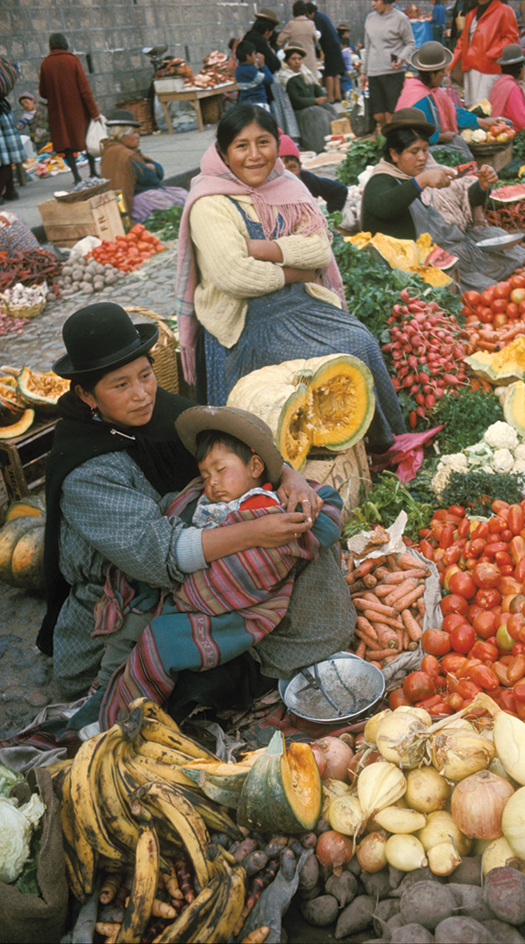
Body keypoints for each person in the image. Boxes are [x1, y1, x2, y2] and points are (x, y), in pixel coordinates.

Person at [41, 302, 341, 705]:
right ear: (86, 395)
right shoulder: (87, 470)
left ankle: (271, 641)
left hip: (200, 553)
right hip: (127, 608)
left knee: (306, 522)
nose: (142, 394)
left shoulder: (164, 411)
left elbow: (235, 448)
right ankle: (254, 657)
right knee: (189, 681)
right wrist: (254, 531)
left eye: (145, 376)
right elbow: (158, 554)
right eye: (120, 385)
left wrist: (290, 477)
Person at [92, 405, 346, 725]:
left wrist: (293, 478)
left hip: (235, 610)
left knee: (161, 642)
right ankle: (104, 698)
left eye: (220, 469)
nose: (212, 482)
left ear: (256, 466)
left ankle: (120, 720)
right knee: (130, 625)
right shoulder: (201, 499)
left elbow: (320, 519)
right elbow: (170, 533)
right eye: (205, 474)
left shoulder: (275, 506)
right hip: (183, 596)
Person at [176, 103, 404, 450]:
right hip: (248, 323)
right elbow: (234, 276)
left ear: (277, 144)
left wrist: (262, 248)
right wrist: (295, 272)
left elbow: (319, 250)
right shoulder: (210, 204)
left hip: (300, 304)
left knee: (361, 342)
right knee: (334, 357)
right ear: (223, 152)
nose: (254, 155)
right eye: (241, 145)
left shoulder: (288, 188)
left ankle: (379, 446)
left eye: (263, 142)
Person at [361, 108, 525, 293]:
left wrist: (482, 186)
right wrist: (421, 181)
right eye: (414, 151)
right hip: (411, 265)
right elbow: (384, 207)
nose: (422, 157)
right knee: (486, 288)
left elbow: (462, 199)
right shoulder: (381, 180)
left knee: (502, 246)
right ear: (394, 154)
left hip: (442, 246)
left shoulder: (425, 170)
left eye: (424, 150)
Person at [396, 42, 498, 158]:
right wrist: (442, 137)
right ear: (432, 75)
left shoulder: (435, 92)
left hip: (434, 141)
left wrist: (482, 122)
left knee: (458, 140)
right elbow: (417, 136)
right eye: (442, 72)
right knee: (460, 150)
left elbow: (455, 113)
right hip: (417, 151)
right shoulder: (417, 98)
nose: (445, 74)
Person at [100, 109, 187, 223]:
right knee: (179, 200)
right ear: (123, 136)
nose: (138, 136)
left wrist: (154, 168)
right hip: (136, 200)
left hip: (134, 197)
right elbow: (151, 179)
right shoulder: (125, 154)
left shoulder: (112, 150)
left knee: (181, 194)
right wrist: (154, 169)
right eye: (134, 133)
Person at [38, 33, 100, 184]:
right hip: (78, 109)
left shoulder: (46, 64)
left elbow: (43, 92)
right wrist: (94, 112)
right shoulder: (72, 60)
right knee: (87, 139)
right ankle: (93, 171)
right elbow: (84, 88)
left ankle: (76, 176)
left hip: (58, 112)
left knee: (66, 145)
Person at [450, 0, 519, 107]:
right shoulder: (471, 14)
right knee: (472, 105)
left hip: (489, 69)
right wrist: (451, 63)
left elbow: (511, 38)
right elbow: (462, 41)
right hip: (470, 69)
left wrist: (489, 54)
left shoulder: (505, 10)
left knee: (487, 107)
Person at [363, 0, 416, 131]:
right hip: (374, 72)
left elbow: (410, 43)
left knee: (391, 114)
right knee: (378, 115)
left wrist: (401, 57)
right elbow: (368, 47)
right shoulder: (370, 18)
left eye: (375, 0)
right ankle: (387, 137)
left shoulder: (400, 18)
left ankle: (393, 142)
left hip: (393, 73)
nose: (372, 4)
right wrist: (363, 71)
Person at [277, 41, 337, 152]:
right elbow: (296, 101)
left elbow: (316, 88)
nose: (297, 62)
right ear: (287, 61)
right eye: (293, 59)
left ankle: (336, 141)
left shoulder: (305, 73)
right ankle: (320, 146)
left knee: (329, 107)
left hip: (312, 106)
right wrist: (315, 101)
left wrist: (321, 98)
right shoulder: (287, 77)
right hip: (300, 112)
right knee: (316, 112)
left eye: (299, 59)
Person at [279, 133, 348, 213]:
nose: (288, 173)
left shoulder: (307, 179)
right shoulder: (269, 187)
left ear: (300, 166)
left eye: (292, 167)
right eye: (282, 168)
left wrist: (328, 214)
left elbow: (340, 190)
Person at [305, 2, 346, 103]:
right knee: (336, 73)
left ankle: (330, 97)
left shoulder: (317, 19)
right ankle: (338, 96)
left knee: (329, 73)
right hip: (336, 45)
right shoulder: (322, 16)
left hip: (330, 47)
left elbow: (318, 35)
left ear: (309, 13)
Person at [243, 8, 283, 105]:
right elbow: (274, 65)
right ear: (267, 30)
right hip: (259, 90)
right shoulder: (260, 41)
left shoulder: (247, 37)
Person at [0, 63, 25, 204]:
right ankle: (10, 190)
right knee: (6, 157)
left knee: (3, 159)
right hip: (4, 111)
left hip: (1, 115)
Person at [277, 1, 320, 79]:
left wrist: (286, 51)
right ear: (305, 11)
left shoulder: (291, 24)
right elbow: (315, 41)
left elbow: (279, 41)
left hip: (294, 62)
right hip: (310, 60)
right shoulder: (311, 24)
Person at [235, 41, 274, 109]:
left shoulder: (238, 69)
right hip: (259, 103)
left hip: (246, 104)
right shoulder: (251, 71)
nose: (255, 57)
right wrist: (263, 65)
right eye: (254, 54)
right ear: (248, 57)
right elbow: (269, 79)